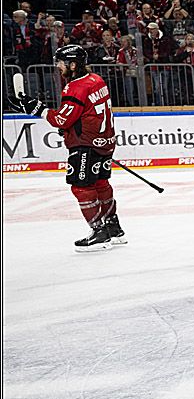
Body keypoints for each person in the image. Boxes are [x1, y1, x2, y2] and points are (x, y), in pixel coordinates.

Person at [12, 45, 125, 251]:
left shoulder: (75, 87)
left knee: (81, 187)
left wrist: (37, 109)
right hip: (105, 142)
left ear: (73, 65)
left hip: (85, 145)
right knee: (101, 184)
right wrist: (72, 127)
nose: (58, 66)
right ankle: (113, 227)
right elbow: (87, 113)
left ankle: (99, 232)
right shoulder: (96, 80)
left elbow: (62, 119)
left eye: (61, 62)